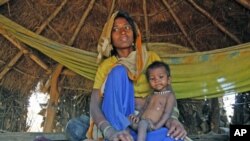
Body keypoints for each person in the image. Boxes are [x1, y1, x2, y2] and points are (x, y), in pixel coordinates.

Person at [87, 10, 187, 141]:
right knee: (118, 71)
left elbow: (168, 93)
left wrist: (173, 119)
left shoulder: (151, 58)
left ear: (134, 34)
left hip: (147, 120)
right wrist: (109, 131)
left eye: (127, 27)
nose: (122, 32)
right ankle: (121, 133)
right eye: (115, 29)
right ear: (109, 38)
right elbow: (94, 106)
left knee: (171, 138)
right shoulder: (106, 66)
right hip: (118, 122)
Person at [128, 61, 177, 141]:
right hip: (140, 123)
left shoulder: (169, 96)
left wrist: (156, 126)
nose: (156, 80)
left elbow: (166, 114)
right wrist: (137, 117)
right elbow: (144, 109)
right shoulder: (151, 95)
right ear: (148, 82)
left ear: (168, 80)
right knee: (127, 118)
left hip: (151, 125)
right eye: (152, 78)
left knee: (143, 124)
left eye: (161, 77)